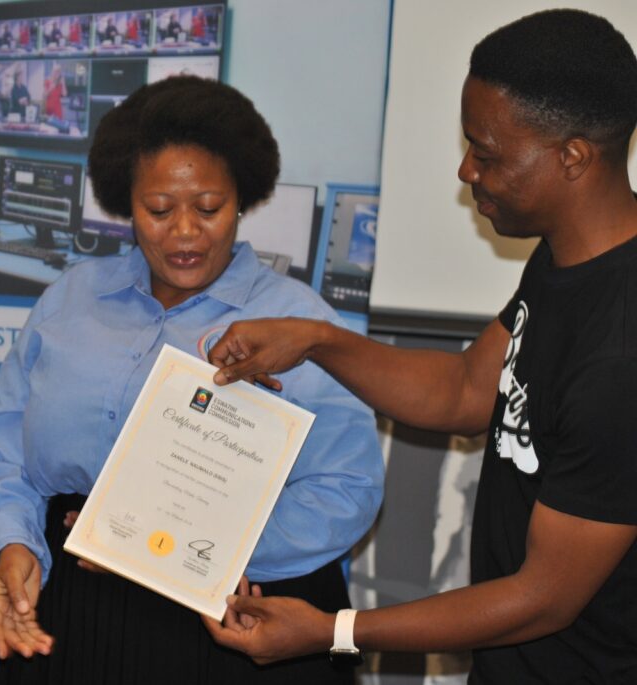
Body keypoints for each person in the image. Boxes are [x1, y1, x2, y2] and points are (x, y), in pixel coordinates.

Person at [202, 9, 637, 684]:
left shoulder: (620, 357)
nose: (466, 171)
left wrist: (332, 632)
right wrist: (315, 340)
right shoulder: (566, 257)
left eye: (487, 155)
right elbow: (464, 390)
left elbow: (543, 598)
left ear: (573, 157)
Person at [0, 75, 384, 685]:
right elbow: (1, 452)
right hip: (74, 608)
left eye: (209, 208)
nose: (185, 232)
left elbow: (348, 489)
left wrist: (176, 552)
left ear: (242, 200)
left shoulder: (298, 324)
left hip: (233, 618)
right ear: (126, 205)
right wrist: (14, 543)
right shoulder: (71, 299)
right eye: (158, 210)